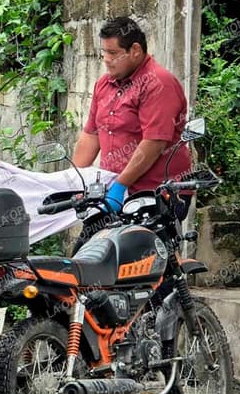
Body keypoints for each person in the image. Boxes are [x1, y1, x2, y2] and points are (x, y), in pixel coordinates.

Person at [71, 16, 192, 250]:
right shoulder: (104, 85)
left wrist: (120, 184)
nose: (106, 60)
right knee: (87, 260)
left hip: (156, 193)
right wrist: (73, 180)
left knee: (144, 265)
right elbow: (91, 135)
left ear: (135, 50)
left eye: (113, 53)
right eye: (103, 53)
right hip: (113, 194)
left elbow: (154, 143)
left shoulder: (158, 83)